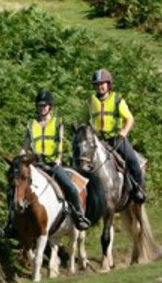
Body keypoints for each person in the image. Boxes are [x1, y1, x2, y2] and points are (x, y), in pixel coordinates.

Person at [22, 89, 89, 229]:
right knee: (16, 187)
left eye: (44, 106)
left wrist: (58, 159)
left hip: (52, 164)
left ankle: (79, 216)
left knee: (71, 188)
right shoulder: (31, 124)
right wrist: (19, 160)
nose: (42, 108)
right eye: (40, 106)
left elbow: (60, 143)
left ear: (50, 107)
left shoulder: (58, 122)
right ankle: (12, 222)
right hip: (36, 164)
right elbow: (25, 147)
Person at [88, 69, 146, 203]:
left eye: (102, 83)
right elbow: (83, 120)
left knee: (132, 161)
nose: (100, 86)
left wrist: (124, 132)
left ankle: (138, 189)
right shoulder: (91, 102)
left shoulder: (117, 99)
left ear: (108, 84)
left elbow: (129, 119)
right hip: (99, 141)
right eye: (97, 84)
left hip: (116, 139)